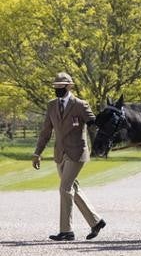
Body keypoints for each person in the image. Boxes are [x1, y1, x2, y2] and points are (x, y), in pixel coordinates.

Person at [32, 72, 106, 241]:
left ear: (69, 86)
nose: (57, 89)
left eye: (61, 86)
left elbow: (93, 123)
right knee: (72, 188)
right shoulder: (51, 106)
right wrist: (37, 153)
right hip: (60, 153)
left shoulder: (80, 104)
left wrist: (102, 127)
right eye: (55, 86)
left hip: (77, 153)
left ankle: (67, 231)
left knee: (64, 188)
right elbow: (45, 132)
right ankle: (96, 222)